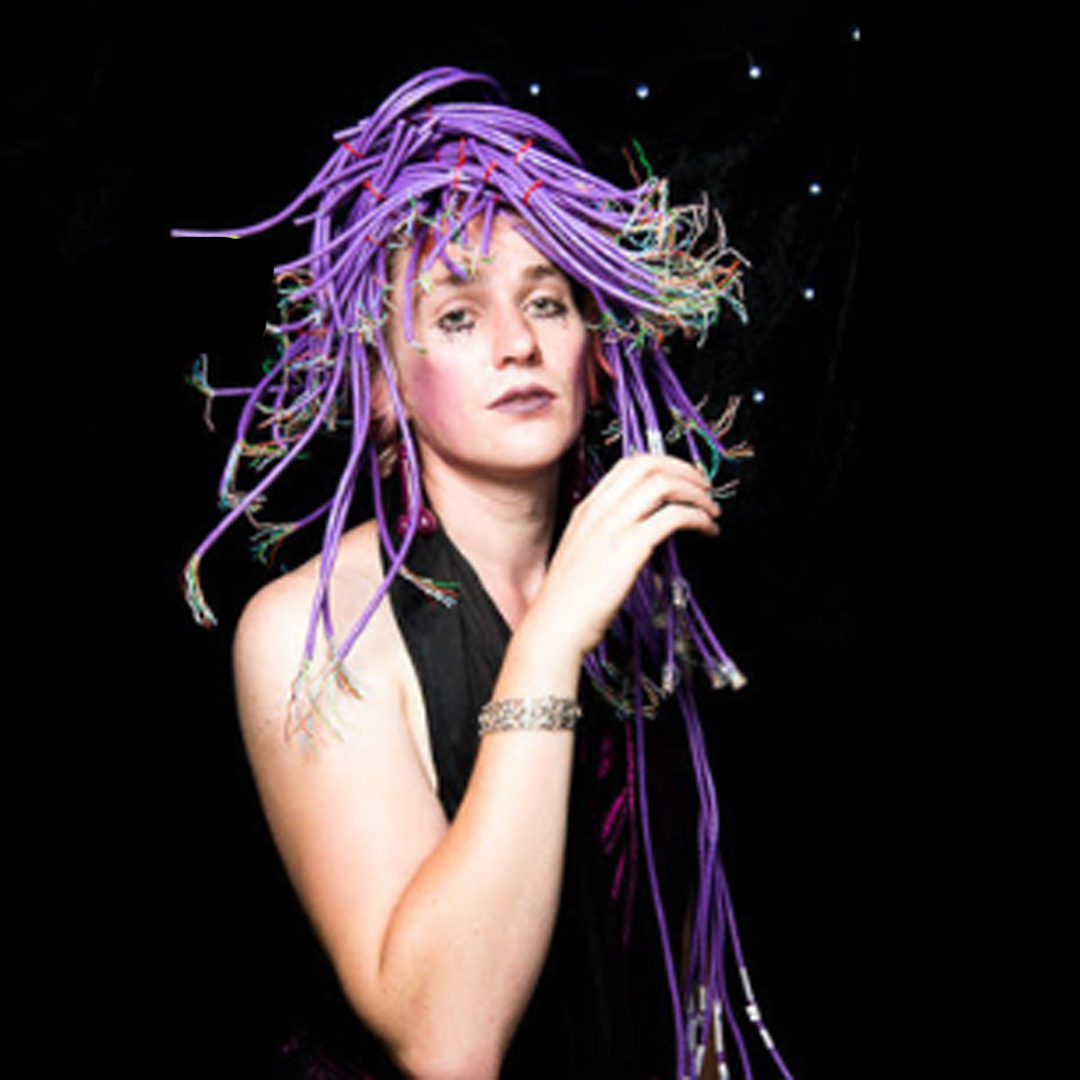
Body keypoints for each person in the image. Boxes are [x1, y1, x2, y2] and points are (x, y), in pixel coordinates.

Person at [176, 68, 794, 1079]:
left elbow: (688, 974)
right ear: (382, 387)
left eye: (547, 301)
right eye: (457, 315)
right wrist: (547, 645)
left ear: (596, 351)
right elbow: (447, 1041)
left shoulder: (664, 606)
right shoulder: (309, 628)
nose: (517, 345)